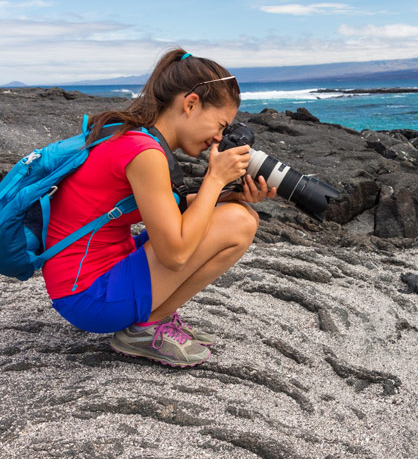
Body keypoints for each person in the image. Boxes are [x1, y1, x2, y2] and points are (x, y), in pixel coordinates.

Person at [43, 49, 275, 367]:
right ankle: (147, 326)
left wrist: (230, 194)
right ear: (190, 104)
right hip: (89, 295)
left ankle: (151, 319)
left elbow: (173, 211)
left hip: (87, 278)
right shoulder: (144, 152)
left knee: (239, 212)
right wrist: (214, 179)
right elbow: (175, 253)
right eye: (221, 125)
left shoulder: (132, 137)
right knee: (238, 223)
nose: (220, 138)